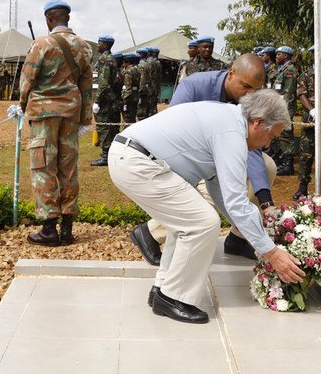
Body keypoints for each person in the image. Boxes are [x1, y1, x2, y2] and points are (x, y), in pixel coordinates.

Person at [109, 90, 305, 323]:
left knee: (187, 223)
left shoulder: (230, 121)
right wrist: (270, 252)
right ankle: (172, 297)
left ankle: (162, 289)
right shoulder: (231, 132)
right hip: (137, 161)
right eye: (271, 136)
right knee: (202, 223)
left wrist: (255, 233)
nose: (268, 144)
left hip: (133, 156)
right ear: (258, 122)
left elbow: (219, 190)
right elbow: (236, 201)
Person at [130, 54, 276, 266]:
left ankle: (239, 235)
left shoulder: (248, 101)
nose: (250, 94)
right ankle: (151, 231)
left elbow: (250, 147)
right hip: (187, 158)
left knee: (267, 166)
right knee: (209, 198)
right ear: (231, 74)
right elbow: (172, 133)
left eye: (256, 89)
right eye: (246, 86)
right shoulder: (194, 86)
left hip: (223, 157)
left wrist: (266, 201)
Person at [19, 0, 93, 246]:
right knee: (68, 168)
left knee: (43, 167)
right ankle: (67, 227)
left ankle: (49, 228)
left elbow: (27, 80)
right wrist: (85, 119)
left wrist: (22, 106)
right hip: (71, 114)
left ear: (49, 19)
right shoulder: (84, 47)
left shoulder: (41, 44)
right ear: (67, 19)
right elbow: (86, 87)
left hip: (44, 114)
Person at [270, 46, 300, 176]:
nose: (276, 57)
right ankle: (281, 160)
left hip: (285, 107)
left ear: (286, 56)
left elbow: (288, 93)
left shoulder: (290, 71)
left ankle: (288, 165)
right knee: (280, 135)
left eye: (279, 55)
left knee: (286, 135)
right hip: (279, 106)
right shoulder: (281, 70)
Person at [91, 35, 118, 167]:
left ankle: (105, 156)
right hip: (104, 98)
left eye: (99, 43)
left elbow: (104, 82)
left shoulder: (106, 60)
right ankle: (108, 153)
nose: (97, 45)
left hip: (103, 99)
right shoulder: (105, 58)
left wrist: (97, 100)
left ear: (106, 45)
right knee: (106, 125)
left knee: (103, 126)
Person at [294, 45, 317, 199]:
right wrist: (312, 110)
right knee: (306, 155)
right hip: (310, 119)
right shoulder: (306, 75)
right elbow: (302, 95)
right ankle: (302, 187)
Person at [121, 52, 141, 125]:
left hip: (129, 98)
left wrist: (125, 101)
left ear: (128, 61)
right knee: (132, 118)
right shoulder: (137, 70)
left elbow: (128, 88)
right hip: (135, 96)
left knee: (128, 119)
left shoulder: (128, 71)